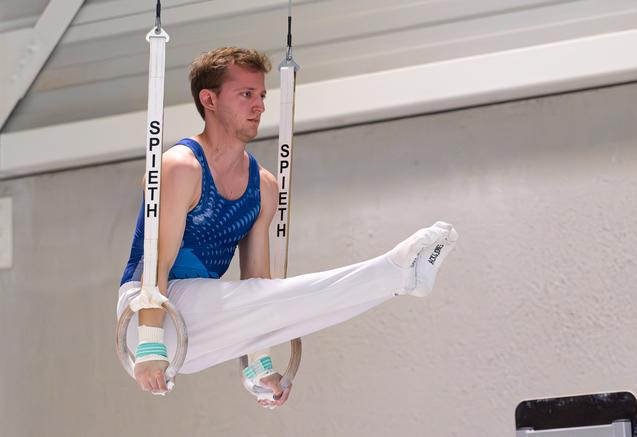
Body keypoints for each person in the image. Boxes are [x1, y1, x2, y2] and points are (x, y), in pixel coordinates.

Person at [117, 47, 458, 408]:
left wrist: (258, 367)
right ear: (209, 99)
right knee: (263, 298)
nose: (260, 105)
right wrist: (150, 342)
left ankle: (400, 281)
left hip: (202, 328)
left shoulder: (263, 187)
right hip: (149, 310)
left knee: (286, 302)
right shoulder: (180, 167)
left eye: (262, 95)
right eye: (246, 94)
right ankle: (394, 272)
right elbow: (158, 266)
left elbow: (261, 291)